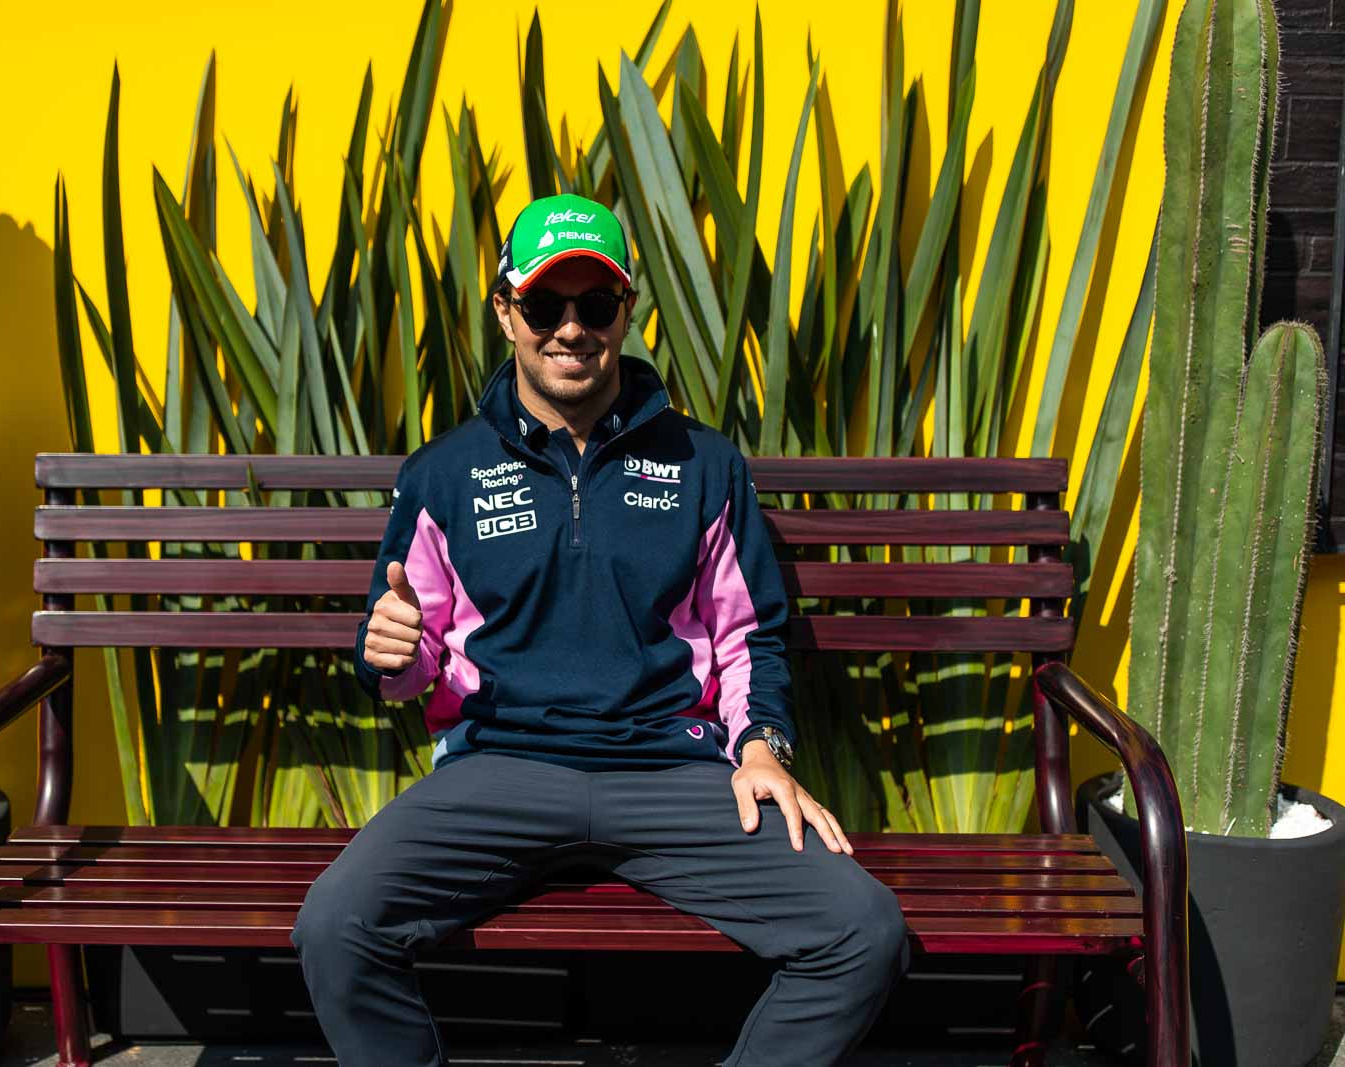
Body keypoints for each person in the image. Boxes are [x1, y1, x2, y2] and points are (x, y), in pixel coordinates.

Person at [289, 192, 908, 1066]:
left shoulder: (704, 463)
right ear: (506, 310)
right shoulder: (443, 473)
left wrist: (762, 747)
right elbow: (409, 661)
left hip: (673, 772)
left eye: (595, 303)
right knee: (334, 925)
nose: (570, 328)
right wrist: (386, 653)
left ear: (628, 310)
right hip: (500, 769)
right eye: (545, 303)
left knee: (862, 929)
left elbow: (748, 636)